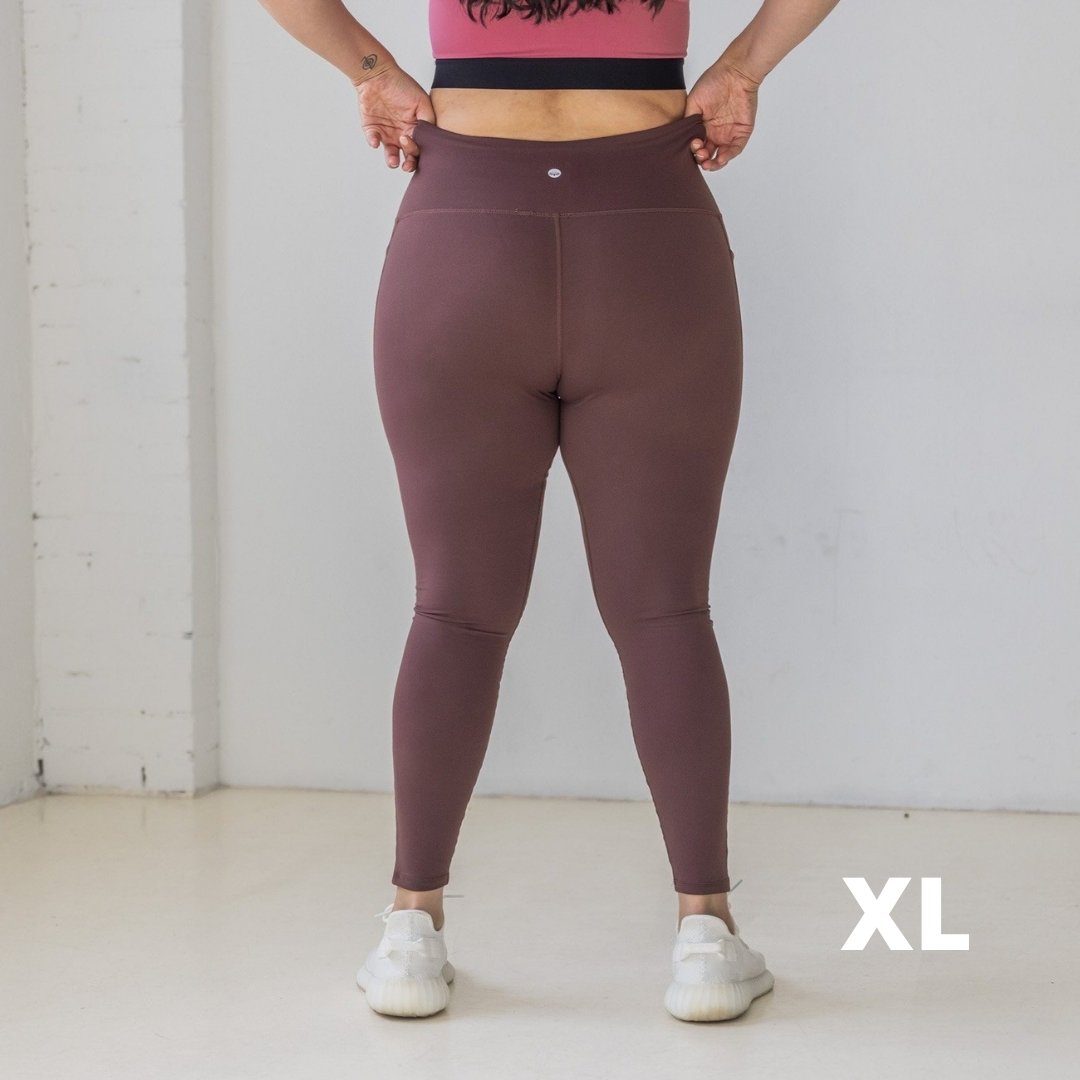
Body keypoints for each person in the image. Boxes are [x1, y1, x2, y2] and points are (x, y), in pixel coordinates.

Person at [258, 0, 841, 1021]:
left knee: (454, 608)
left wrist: (373, 71)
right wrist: (744, 67)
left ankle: (410, 932)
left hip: (462, 234)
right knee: (664, 608)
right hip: (650, 235)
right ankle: (705, 937)